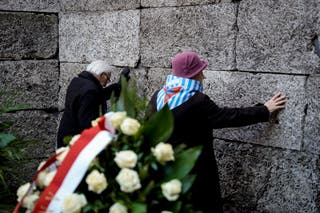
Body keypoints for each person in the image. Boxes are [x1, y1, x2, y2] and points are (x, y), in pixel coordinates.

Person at [149, 51, 286, 213]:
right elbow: (228, 117)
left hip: (164, 173)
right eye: (201, 72)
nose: (203, 77)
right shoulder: (197, 102)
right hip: (195, 177)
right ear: (194, 75)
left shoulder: (157, 96)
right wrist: (264, 110)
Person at [57, 60, 130, 148]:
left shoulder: (78, 82)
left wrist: (118, 87)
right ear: (102, 75)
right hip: (74, 140)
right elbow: (86, 123)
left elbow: (98, 95)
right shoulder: (90, 91)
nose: (106, 83)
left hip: (65, 134)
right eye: (108, 78)